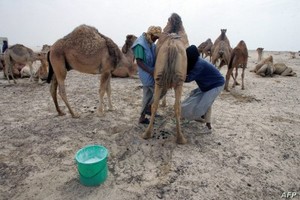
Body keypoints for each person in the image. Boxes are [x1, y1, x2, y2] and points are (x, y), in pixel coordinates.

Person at [181, 45, 225, 131]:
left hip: (215, 85)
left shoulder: (198, 65)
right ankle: (208, 124)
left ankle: (203, 120)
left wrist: (177, 76)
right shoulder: (196, 62)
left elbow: (188, 78)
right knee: (205, 103)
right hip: (207, 85)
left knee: (202, 106)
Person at [131, 26, 162, 124]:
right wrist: (151, 71)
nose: (156, 40)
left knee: (147, 95)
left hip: (152, 70)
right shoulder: (140, 44)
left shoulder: (150, 43)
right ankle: (149, 108)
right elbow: (139, 62)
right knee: (160, 91)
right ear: (151, 35)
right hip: (146, 72)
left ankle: (142, 117)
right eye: (155, 38)